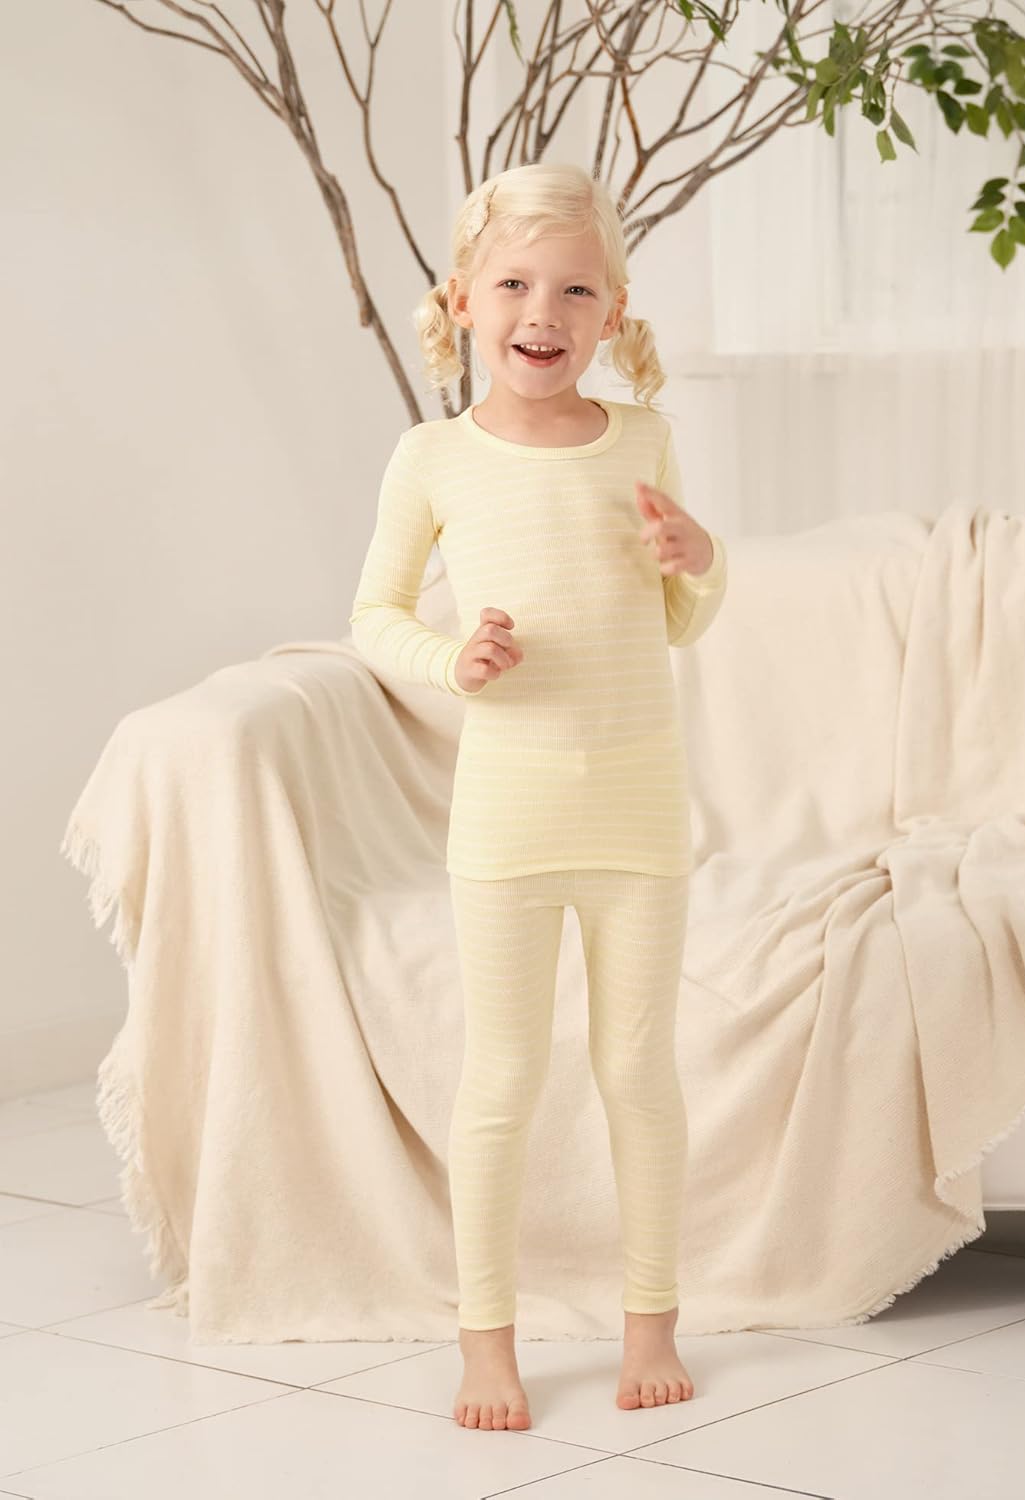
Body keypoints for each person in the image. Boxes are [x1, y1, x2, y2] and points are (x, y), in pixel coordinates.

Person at [348, 162, 727, 1433]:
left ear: (612, 308)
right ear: (463, 299)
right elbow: (374, 615)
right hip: (506, 828)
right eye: (514, 284)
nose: (542, 313)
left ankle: (650, 1324)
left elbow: (679, 620)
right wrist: (451, 660)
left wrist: (698, 560)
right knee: (501, 1082)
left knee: (637, 1072)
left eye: (574, 290)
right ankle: (486, 1343)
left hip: (639, 818)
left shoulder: (645, 440)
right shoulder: (432, 458)